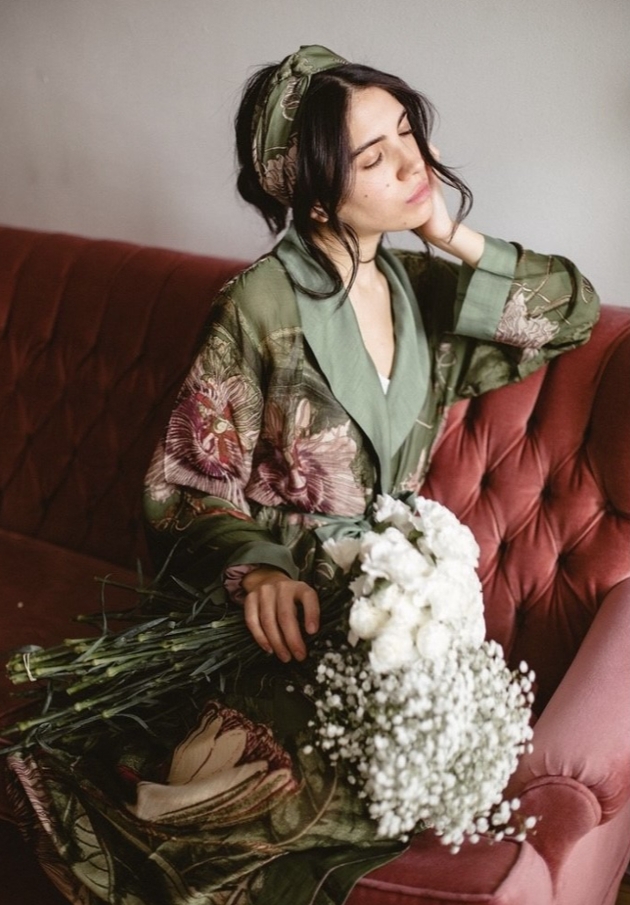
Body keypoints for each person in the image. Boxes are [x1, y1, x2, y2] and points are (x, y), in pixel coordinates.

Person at [6, 45, 599, 905]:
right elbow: (185, 481)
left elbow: (570, 311)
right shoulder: (260, 304)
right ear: (316, 191)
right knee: (315, 773)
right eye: (375, 156)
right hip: (290, 607)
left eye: (407, 132)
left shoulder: (423, 291)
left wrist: (445, 228)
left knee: (403, 764)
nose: (411, 163)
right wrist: (262, 571)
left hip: (394, 599)